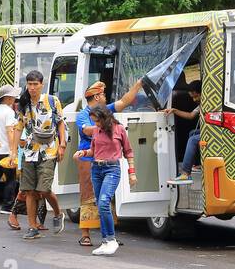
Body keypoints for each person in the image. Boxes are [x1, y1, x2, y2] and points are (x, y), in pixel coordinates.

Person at [73, 79, 143, 246]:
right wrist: (103, 126)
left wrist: (138, 85)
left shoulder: (105, 111)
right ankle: (86, 234)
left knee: (106, 199)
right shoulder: (84, 115)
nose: (105, 96)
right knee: (88, 196)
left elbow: (125, 101)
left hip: (108, 161)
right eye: (103, 94)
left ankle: (108, 235)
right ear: (96, 97)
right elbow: (87, 130)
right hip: (88, 159)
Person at [16, 70, 66, 240]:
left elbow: (60, 123)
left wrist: (62, 146)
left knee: (43, 190)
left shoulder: (52, 101)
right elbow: (19, 127)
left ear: (41, 85)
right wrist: (13, 151)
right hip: (29, 151)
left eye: (35, 84)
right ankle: (32, 226)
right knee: (29, 190)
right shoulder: (23, 103)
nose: (32, 88)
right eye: (29, 84)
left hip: (49, 150)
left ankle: (58, 214)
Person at [87, 105, 135, 256]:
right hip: (96, 168)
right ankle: (105, 241)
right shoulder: (95, 131)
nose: (97, 124)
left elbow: (128, 151)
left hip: (112, 169)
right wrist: (82, 152)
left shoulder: (119, 129)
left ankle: (111, 239)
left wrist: (132, 173)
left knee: (103, 202)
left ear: (105, 118)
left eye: (98, 121)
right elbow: (93, 151)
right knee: (100, 206)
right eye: (94, 122)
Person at [0, 85, 21, 217]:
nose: (14, 99)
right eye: (13, 97)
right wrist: (13, 151)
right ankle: (7, 206)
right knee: (10, 179)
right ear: (7, 98)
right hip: (6, 150)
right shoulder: (9, 112)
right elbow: (10, 131)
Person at [164, 80, 203, 180]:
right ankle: (198, 164)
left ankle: (186, 173)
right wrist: (174, 110)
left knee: (193, 140)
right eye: (192, 97)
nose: (194, 100)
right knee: (192, 133)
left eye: (196, 96)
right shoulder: (201, 105)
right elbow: (190, 116)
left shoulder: (209, 103)